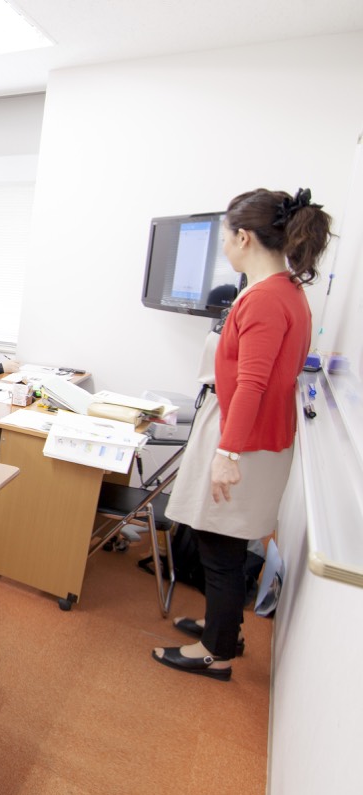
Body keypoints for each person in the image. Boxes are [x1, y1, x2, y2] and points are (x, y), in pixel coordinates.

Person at [152, 188, 332, 682]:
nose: (225, 248)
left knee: (219, 541)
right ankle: (222, 627)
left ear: (244, 237)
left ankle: (216, 651)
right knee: (221, 538)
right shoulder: (285, 289)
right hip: (249, 431)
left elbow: (253, 382)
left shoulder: (268, 298)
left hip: (243, 438)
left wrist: (227, 452)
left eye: (227, 237)